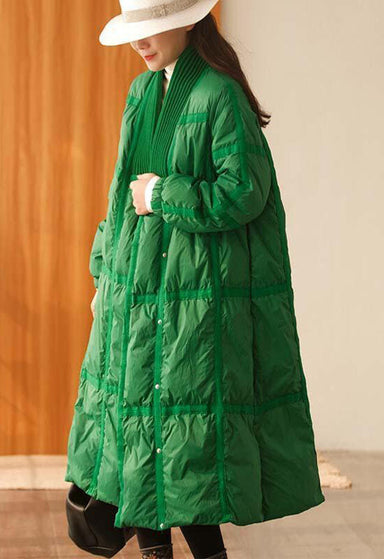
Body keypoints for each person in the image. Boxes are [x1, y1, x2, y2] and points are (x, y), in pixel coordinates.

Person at [65, 1, 325, 558]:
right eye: (136, 30)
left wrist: (162, 193)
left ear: (187, 21)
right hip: (138, 292)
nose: (141, 42)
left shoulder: (219, 94)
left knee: (186, 449)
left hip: (195, 301)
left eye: (153, 28)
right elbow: (120, 194)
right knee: (142, 439)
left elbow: (244, 192)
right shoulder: (142, 92)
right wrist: (104, 273)